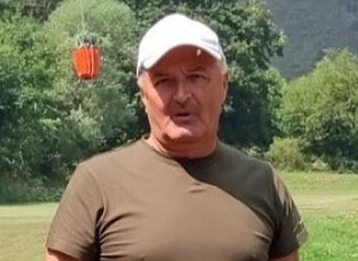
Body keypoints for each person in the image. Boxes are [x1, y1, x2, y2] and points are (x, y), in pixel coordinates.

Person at [45, 13, 308, 261]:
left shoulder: (264, 182)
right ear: (143, 94)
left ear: (224, 85)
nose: (182, 95)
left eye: (196, 77)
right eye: (164, 81)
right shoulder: (97, 183)